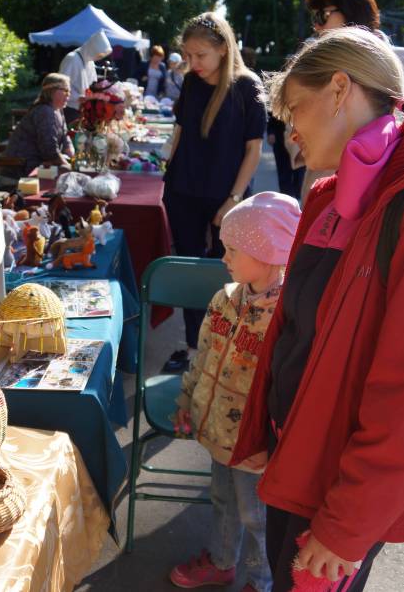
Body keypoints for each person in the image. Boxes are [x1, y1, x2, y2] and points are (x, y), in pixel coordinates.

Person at [230, 28, 404, 591]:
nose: (291, 131)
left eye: (295, 108)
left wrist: (347, 526)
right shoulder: (331, 197)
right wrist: (263, 433)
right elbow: (296, 330)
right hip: (296, 463)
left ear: (338, 89)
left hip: (337, 494)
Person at [169, 192, 301, 592]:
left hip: (254, 444)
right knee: (223, 500)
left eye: (232, 249)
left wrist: (273, 441)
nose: (223, 257)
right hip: (217, 431)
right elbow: (203, 354)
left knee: (256, 517)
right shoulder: (223, 301)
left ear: (269, 253)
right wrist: (186, 401)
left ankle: (260, 581)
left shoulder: (285, 318)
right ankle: (223, 560)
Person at [161, 13, 267, 373]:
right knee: (190, 268)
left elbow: (254, 150)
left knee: (227, 275)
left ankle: (222, 346)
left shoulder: (247, 87)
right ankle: (194, 347)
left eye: (200, 55)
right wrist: (167, 171)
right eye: (188, 56)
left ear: (223, 48)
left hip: (228, 197)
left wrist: (233, 200)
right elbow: (180, 132)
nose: (192, 64)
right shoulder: (191, 83)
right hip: (183, 191)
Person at [301, 0, 404, 199]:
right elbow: (298, 131)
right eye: (314, 17)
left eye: (322, 15)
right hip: (326, 195)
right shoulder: (316, 65)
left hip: (389, 194)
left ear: (352, 11)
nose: (316, 26)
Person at [4, 73, 74, 175]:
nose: (68, 94)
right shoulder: (44, 111)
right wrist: (69, 167)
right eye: (65, 90)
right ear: (51, 91)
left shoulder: (58, 110)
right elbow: (49, 151)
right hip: (22, 167)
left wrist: (71, 154)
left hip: (40, 165)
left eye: (69, 91)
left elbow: (65, 136)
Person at [59, 29, 112, 123]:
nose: (98, 57)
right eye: (98, 54)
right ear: (92, 48)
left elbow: (92, 84)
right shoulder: (72, 59)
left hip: (83, 109)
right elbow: (60, 86)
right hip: (68, 108)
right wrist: (78, 97)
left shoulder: (90, 62)